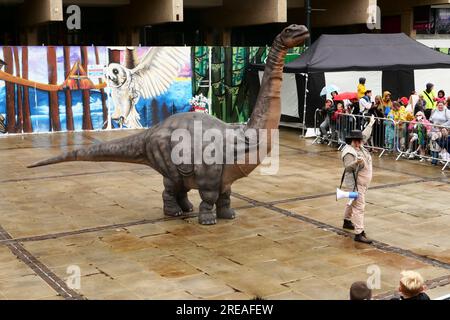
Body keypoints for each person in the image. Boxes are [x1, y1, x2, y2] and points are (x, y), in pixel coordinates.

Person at [341, 116, 375, 244]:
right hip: (356, 184)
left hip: (362, 183)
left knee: (352, 202)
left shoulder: (359, 145)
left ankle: (347, 221)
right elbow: (348, 168)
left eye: (360, 140)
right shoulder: (349, 152)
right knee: (359, 207)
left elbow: (365, 134)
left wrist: (370, 124)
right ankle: (359, 233)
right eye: (357, 140)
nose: (359, 142)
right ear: (351, 140)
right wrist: (356, 163)